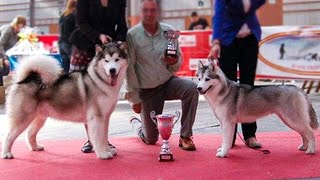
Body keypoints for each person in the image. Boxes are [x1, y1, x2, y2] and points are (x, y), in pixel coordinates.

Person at [125, 0, 198, 151]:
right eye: (146, 10)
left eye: (153, 10)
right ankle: (136, 124)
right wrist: (134, 98)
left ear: (157, 12)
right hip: (147, 90)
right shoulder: (132, 35)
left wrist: (174, 60)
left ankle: (186, 136)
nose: (150, 14)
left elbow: (178, 63)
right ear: (141, 12)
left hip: (168, 82)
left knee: (191, 88)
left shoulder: (169, 31)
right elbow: (129, 68)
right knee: (151, 139)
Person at [70, 0, 128, 153]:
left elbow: (122, 25)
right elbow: (81, 23)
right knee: (86, 98)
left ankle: (102, 140)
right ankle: (91, 139)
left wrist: (119, 42)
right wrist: (99, 36)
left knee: (104, 100)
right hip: (85, 45)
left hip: (109, 52)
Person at [208, 0, 266, 148]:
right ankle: (229, 137)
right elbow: (218, 15)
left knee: (249, 88)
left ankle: (250, 135)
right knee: (227, 89)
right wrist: (215, 42)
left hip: (250, 40)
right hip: (228, 41)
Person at [0, 15, 27, 85]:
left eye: (22, 26)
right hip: (2, 55)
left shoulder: (17, 33)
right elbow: (0, 45)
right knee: (4, 71)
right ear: (16, 24)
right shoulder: (8, 30)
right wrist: (4, 58)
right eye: (20, 26)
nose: (21, 28)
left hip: (8, 55)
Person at [58, 0, 77, 74]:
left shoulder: (63, 15)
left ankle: (65, 83)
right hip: (69, 43)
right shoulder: (74, 14)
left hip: (61, 43)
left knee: (65, 66)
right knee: (73, 66)